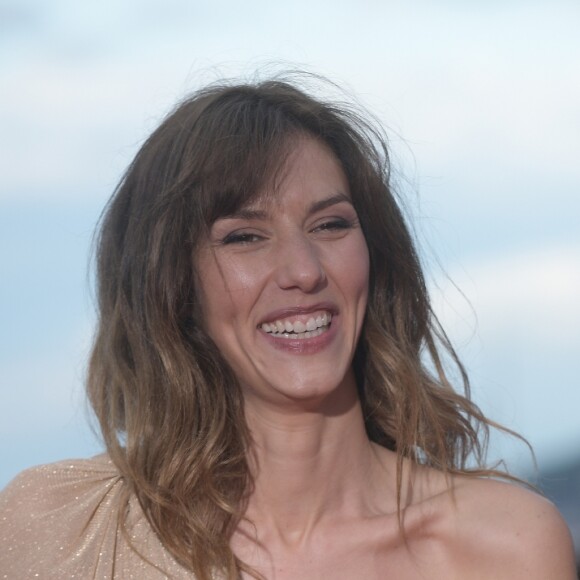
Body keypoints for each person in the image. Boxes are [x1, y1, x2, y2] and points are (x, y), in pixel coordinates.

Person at [0, 74, 576, 580]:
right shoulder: (59, 525)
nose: (304, 270)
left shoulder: (506, 546)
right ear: (173, 285)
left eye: (329, 225)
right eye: (245, 236)